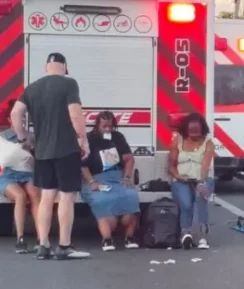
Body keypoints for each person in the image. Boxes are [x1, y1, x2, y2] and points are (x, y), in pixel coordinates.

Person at [10, 52, 90, 260]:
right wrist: (83, 140)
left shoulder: (32, 88)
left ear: (47, 67)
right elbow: (75, 114)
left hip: (43, 152)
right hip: (66, 150)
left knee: (46, 196)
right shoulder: (69, 83)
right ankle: (64, 246)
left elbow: (15, 113)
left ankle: (43, 244)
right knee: (66, 197)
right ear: (65, 66)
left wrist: (22, 137)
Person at [80, 111, 141, 251]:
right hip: (96, 178)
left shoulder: (118, 137)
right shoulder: (89, 139)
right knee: (102, 199)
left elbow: (129, 158)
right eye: (104, 126)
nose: (108, 129)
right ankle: (107, 239)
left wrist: (127, 177)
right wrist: (92, 182)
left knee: (131, 195)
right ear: (97, 126)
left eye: (110, 126)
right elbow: (82, 165)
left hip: (117, 177)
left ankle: (130, 237)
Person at [168, 112, 216, 250]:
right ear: (185, 130)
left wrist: (201, 182)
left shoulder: (208, 143)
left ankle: (203, 236)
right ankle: (186, 233)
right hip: (181, 180)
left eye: (197, 132)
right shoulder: (178, 140)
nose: (194, 135)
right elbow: (171, 165)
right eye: (191, 132)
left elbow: (205, 165)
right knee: (186, 203)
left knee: (200, 198)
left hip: (202, 178)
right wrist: (178, 176)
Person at [0, 101, 40, 254]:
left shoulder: (32, 136)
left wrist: (33, 157)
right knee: (20, 196)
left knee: (35, 195)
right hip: (8, 175)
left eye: (24, 117)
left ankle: (41, 238)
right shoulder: (3, 137)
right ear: (10, 119)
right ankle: (20, 239)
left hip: (28, 173)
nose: (22, 119)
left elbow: (39, 158)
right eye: (18, 117)